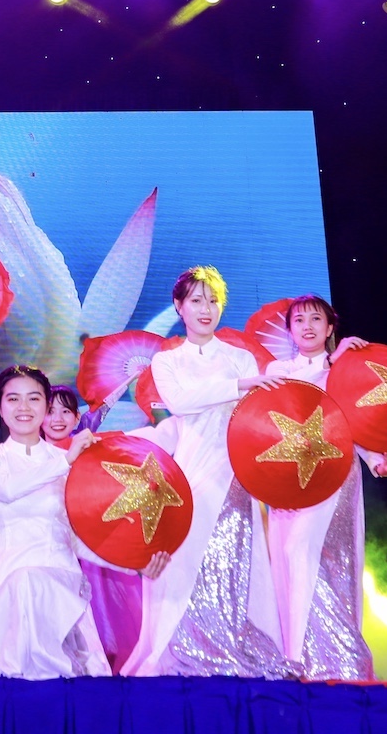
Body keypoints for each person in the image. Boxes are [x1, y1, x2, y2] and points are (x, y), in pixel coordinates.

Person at [121, 266, 294, 678]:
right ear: (179, 306)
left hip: (234, 470)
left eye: (213, 301)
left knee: (234, 560)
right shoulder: (167, 360)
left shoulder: (240, 358)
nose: (206, 309)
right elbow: (180, 403)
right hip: (189, 471)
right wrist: (239, 386)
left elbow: (256, 417)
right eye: (197, 300)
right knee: (184, 558)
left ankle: (236, 646)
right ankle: (180, 649)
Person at [262, 295, 387, 680]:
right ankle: (309, 655)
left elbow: (356, 421)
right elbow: (287, 402)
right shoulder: (279, 369)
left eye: (316, 319)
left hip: (334, 470)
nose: (307, 326)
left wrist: (376, 461)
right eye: (299, 320)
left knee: (320, 556)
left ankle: (320, 655)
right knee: (290, 559)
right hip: (288, 475)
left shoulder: (346, 369)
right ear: (290, 331)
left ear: (329, 328)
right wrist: (333, 362)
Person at [0, 365, 122, 679]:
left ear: (46, 406)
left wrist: (135, 563)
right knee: (24, 583)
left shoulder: (70, 462)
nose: (23, 407)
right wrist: (65, 460)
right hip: (4, 583)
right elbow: (8, 490)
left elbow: (79, 536)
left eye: (33, 398)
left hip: (61, 583)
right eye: (13, 399)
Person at [42, 385, 81, 449]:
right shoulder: (28, 453)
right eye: (50, 412)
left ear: (77, 417)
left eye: (65, 411)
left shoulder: (90, 451)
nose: (58, 419)